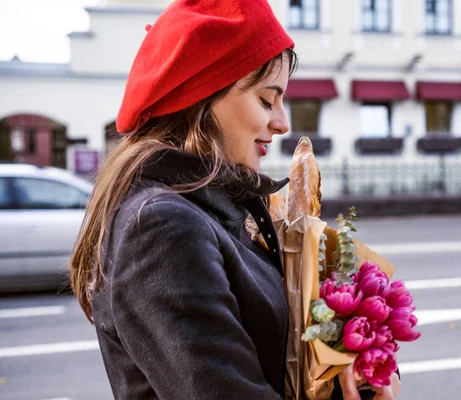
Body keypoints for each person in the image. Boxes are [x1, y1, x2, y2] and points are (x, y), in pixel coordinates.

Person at [70, 0, 399, 399]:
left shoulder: (213, 208)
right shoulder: (162, 227)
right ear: (202, 95)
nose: (282, 123)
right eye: (266, 99)